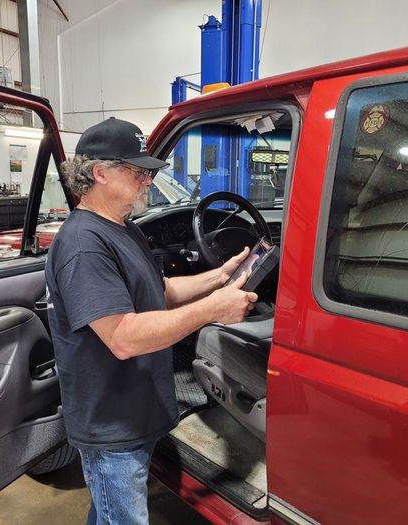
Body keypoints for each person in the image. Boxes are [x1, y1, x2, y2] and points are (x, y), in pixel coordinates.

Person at [45, 117, 258, 525]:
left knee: (108, 512)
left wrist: (221, 275)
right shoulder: (83, 246)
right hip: (113, 424)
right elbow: (123, 337)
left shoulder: (123, 228)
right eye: (138, 172)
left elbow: (160, 292)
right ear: (100, 172)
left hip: (136, 409)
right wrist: (214, 309)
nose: (148, 181)